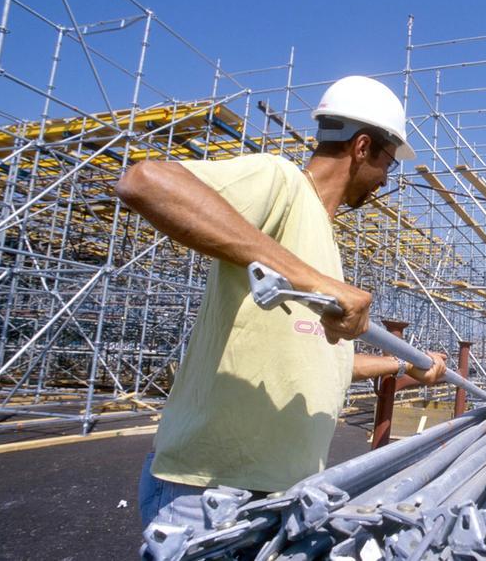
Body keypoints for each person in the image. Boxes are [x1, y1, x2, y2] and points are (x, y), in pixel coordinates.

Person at [116, 75, 448, 531]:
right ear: (362, 147)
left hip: (279, 491)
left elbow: (318, 360)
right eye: (388, 161)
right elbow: (145, 181)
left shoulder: (322, 238)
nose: (387, 178)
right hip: (212, 491)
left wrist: (404, 364)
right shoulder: (282, 182)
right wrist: (315, 280)